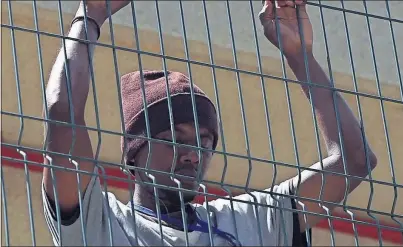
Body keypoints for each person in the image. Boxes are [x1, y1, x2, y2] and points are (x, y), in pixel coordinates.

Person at [41, 0, 378, 246]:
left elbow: (354, 162)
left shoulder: (244, 222)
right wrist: (92, 13)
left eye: (204, 139)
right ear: (134, 153)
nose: (193, 153)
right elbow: (63, 114)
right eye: (176, 137)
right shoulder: (99, 224)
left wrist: (301, 57)